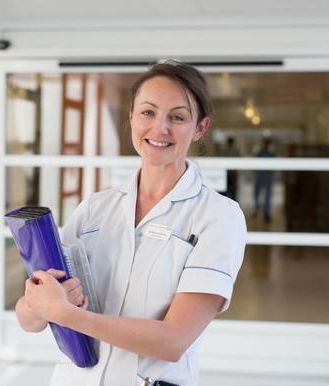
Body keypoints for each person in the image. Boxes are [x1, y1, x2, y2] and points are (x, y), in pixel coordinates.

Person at [14, 60, 247, 386]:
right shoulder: (97, 207)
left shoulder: (218, 216)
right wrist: (36, 303)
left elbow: (173, 341)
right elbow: (30, 320)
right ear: (131, 117)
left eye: (177, 117)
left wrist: (67, 314)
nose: (159, 128)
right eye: (148, 113)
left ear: (200, 128)